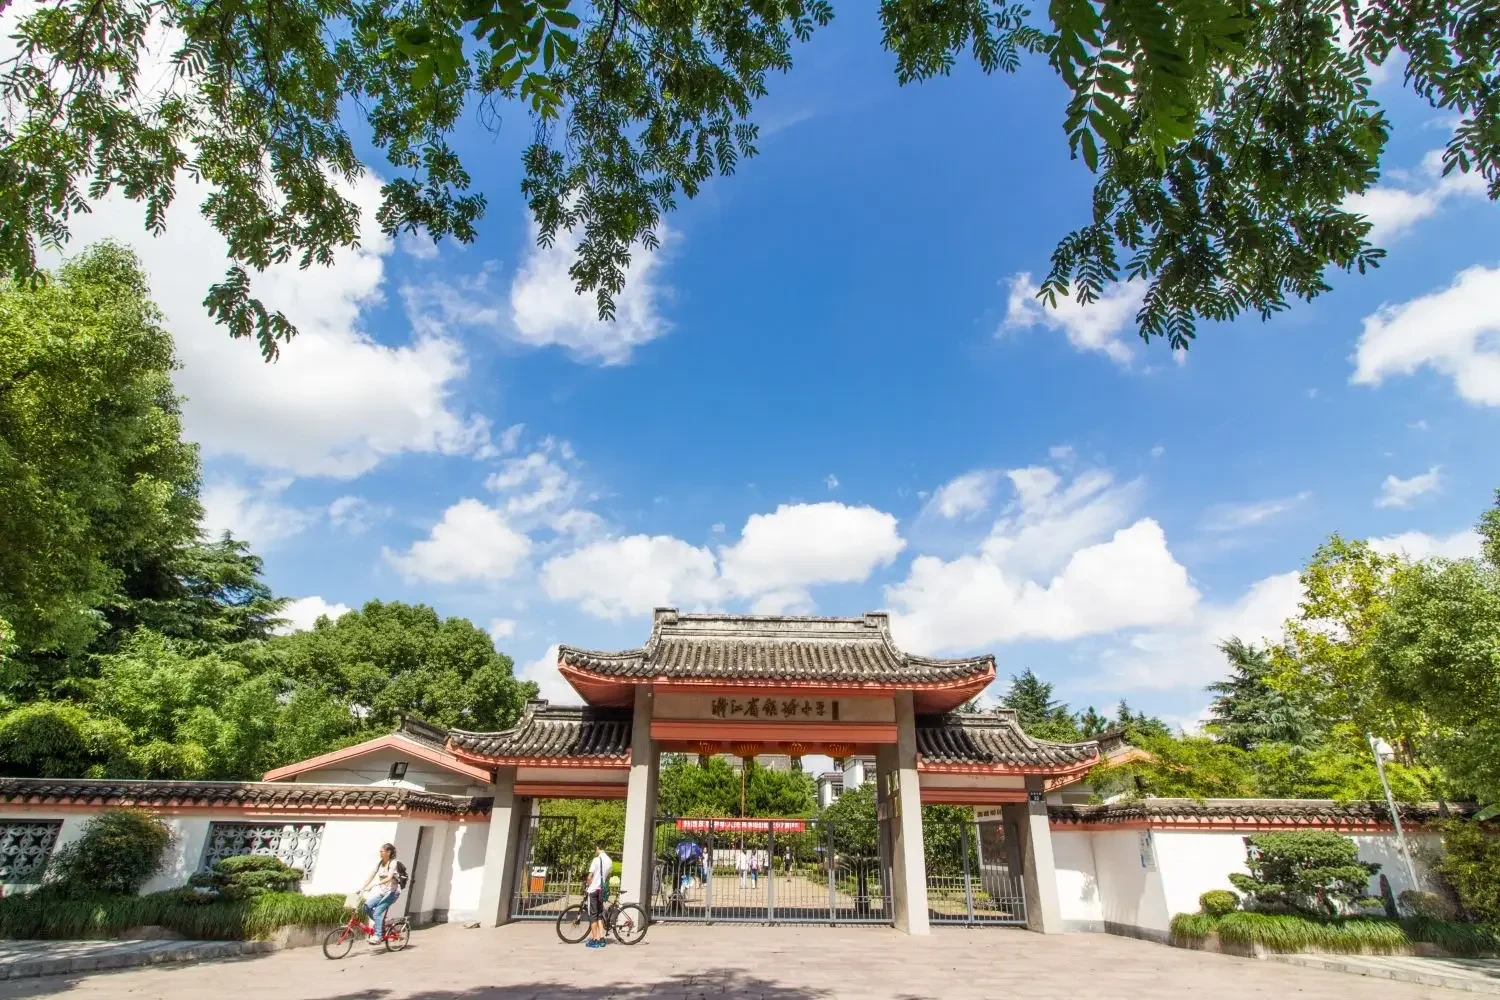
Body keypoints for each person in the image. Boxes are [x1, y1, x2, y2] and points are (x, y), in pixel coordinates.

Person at [359, 843, 402, 945]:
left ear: (388, 852)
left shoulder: (393, 863)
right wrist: (362, 888)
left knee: (377, 912)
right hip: (383, 893)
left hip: (393, 893)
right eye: (380, 851)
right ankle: (382, 924)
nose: (380, 853)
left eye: (382, 851)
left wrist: (374, 885)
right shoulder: (380, 863)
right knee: (367, 907)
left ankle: (378, 935)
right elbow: (371, 876)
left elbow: (389, 877)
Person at [585, 841, 611, 949]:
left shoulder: (596, 860)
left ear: (597, 848)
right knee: (600, 914)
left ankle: (595, 939)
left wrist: (587, 884)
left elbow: (590, 876)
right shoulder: (609, 861)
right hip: (601, 891)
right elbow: (608, 876)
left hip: (593, 890)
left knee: (593, 916)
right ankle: (601, 938)